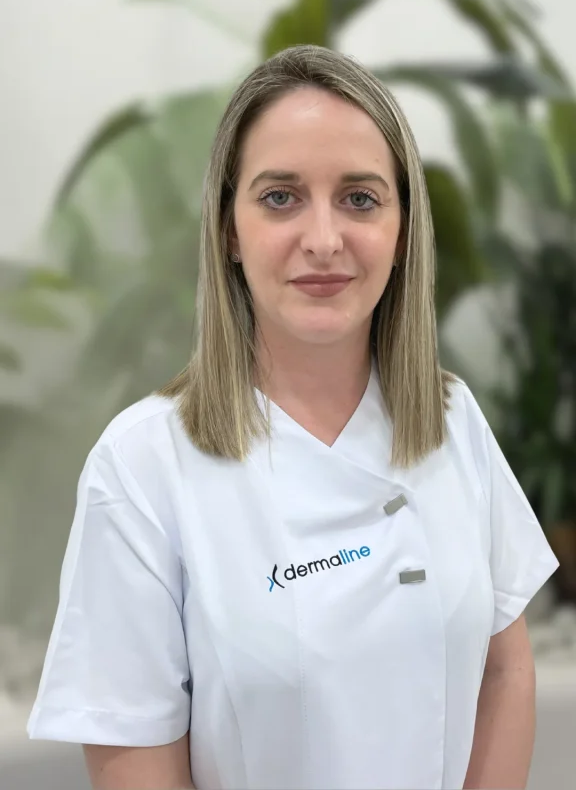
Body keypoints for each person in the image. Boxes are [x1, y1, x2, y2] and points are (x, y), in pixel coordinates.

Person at [27, 45, 558, 790]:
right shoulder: (142, 468)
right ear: (229, 230)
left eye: (360, 198)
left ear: (403, 231)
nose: (323, 240)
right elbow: (133, 750)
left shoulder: (452, 420)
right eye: (281, 197)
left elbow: (504, 669)